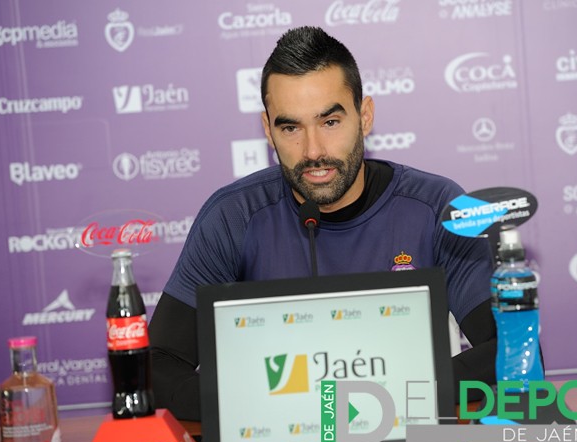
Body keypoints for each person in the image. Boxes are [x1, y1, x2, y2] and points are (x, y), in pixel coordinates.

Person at [148, 26, 497, 421]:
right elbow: (158, 365)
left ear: (364, 116)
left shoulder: (435, 207)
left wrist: (386, 395)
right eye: (291, 127)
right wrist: (265, 401)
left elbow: (510, 349)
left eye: (330, 122)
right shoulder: (233, 217)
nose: (313, 151)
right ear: (267, 130)